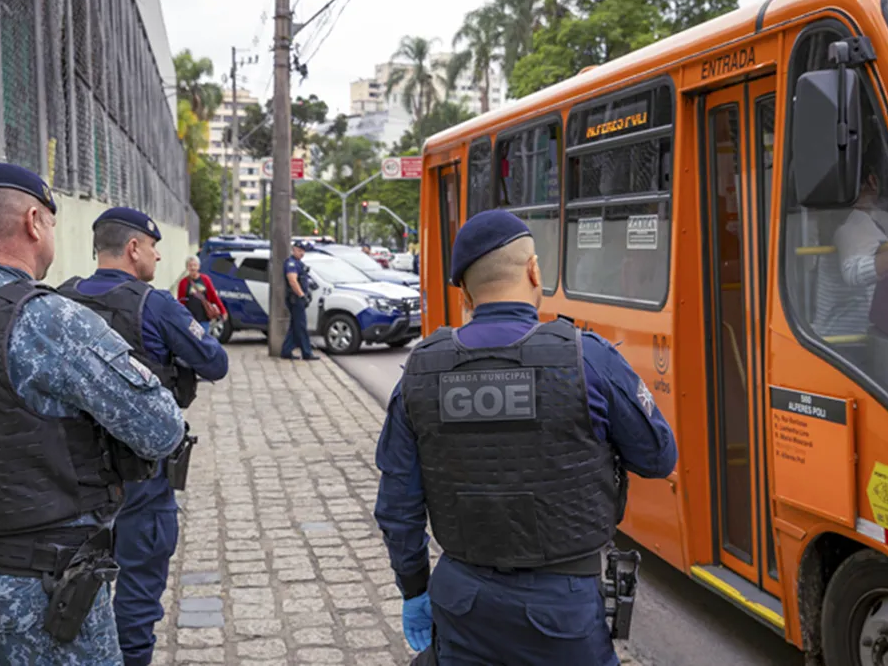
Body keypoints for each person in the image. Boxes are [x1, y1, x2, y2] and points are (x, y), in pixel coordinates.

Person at [0, 163, 185, 665]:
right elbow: (161, 430)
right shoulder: (49, 320)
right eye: (50, 220)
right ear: (33, 222)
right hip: (46, 597)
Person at [374, 209, 678, 666]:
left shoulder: (421, 371)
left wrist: (415, 588)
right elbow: (658, 456)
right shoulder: (585, 358)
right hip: (564, 608)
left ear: (465, 293)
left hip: (462, 603)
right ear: (534, 270)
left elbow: (398, 507)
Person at [58, 208, 229, 666]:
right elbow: (215, 362)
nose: (158, 255)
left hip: (69, 478)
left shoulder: (60, 299)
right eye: (154, 247)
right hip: (140, 478)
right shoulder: (153, 305)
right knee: (135, 598)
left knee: (68, 595)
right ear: (134, 249)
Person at [812, 142, 888, 337]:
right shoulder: (852, 222)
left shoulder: (874, 217)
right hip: (845, 340)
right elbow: (854, 272)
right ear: (873, 181)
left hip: (856, 333)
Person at [281, 241, 319, 360]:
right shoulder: (291, 263)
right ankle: (307, 353)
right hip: (295, 299)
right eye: (299, 250)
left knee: (295, 326)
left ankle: (286, 351)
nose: (302, 253)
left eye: (303, 251)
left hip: (298, 299)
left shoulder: (299, 263)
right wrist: (302, 295)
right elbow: (292, 281)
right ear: (294, 249)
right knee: (301, 326)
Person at [177, 254, 226, 335]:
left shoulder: (205, 280)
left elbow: (214, 296)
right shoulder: (183, 283)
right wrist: (180, 317)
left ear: (199, 267)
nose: (193, 268)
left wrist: (223, 310)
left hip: (204, 317)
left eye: (195, 265)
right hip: (190, 319)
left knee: (204, 341)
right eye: (190, 265)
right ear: (187, 267)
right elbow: (180, 302)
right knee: (194, 342)